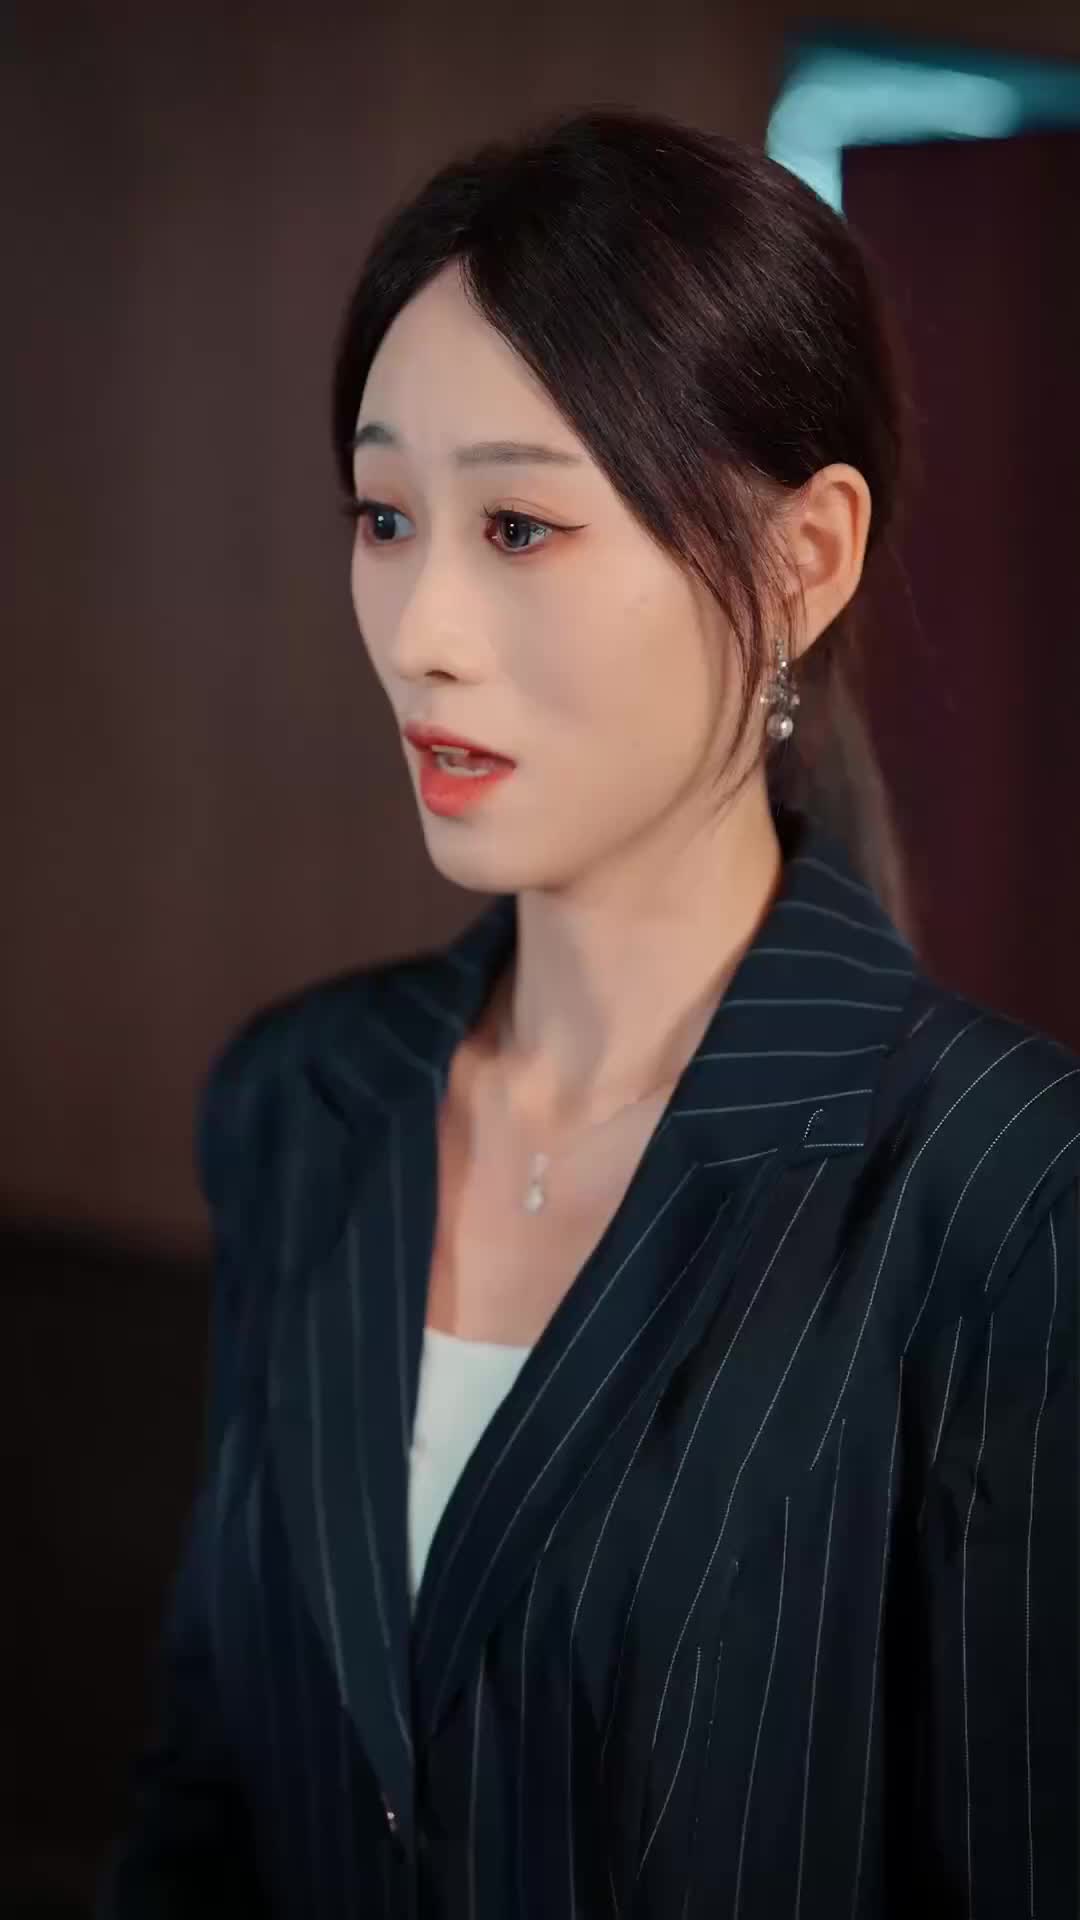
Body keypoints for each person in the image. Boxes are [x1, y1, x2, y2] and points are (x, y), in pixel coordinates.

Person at [99, 106, 1078, 1919]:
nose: (420, 629)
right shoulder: (299, 1101)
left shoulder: (1005, 1192)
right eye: (386, 517)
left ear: (804, 560)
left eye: (520, 526)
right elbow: (205, 1802)